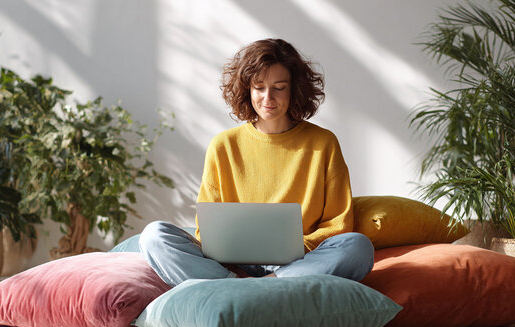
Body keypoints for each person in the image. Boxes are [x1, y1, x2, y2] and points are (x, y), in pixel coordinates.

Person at [139, 38, 374, 286]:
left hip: (301, 260)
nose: (268, 97)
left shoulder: (323, 143)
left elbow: (338, 225)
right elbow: (206, 230)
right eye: (259, 87)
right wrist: (230, 250)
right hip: (233, 262)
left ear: (295, 88)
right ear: (247, 90)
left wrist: (294, 248)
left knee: (357, 247)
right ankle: (257, 286)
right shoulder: (224, 145)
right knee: (153, 236)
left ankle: (239, 287)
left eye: (279, 87)